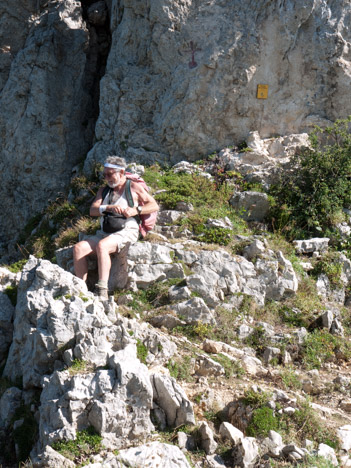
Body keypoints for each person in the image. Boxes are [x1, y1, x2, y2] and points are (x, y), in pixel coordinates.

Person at [73, 156, 159, 298]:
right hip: (104, 232)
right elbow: (92, 210)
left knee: (102, 246)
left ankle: (102, 289)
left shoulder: (133, 187)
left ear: (121, 172)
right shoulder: (104, 190)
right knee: (79, 248)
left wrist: (136, 210)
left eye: (110, 174)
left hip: (126, 231)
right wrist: (108, 208)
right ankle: (81, 288)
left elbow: (153, 205)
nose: (107, 178)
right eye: (104, 174)